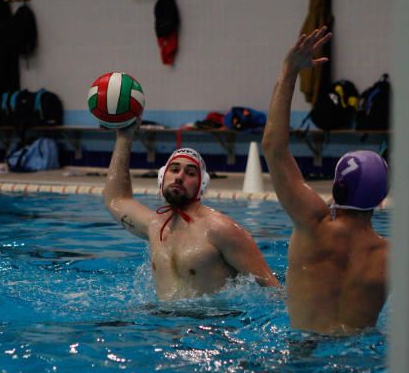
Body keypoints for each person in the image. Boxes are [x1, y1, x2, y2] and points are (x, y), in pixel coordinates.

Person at [261, 28, 389, 334]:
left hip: (303, 354)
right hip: (356, 361)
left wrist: (289, 71)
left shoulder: (312, 224)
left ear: (336, 188)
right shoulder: (392, 257)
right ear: (381, 199)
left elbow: (273, 147)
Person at [103, 121, 279, 300]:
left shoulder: (221, 229)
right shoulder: (154, 225)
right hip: (161, 323)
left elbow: (272, 288)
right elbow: (116, 199)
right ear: (162, 178)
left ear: (201, 185)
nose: (179, 177)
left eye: (190, 173)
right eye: (174, 169)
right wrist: (124, 136)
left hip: (210, 324)